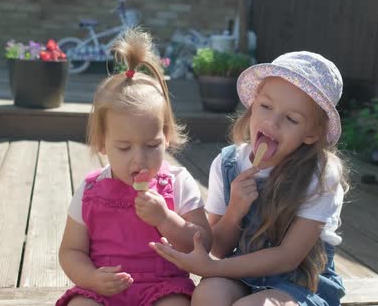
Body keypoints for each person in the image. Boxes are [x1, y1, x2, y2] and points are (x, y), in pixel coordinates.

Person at [151, 51, 349, 306]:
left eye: (291, 119)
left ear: (312, 133)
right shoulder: (228, 163)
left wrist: (211, 268)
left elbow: (288, 257)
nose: (272, 122)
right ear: (253, 104)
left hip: (300, 283)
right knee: (208, 295)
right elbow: (219, 249)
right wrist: (234, 210)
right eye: (265, 106)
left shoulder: (321, 175)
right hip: (242, 275)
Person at [56, 28, 212, 306]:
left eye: (151, 145)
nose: (139, 159)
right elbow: (70, 251)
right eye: (124, 148)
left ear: (166, 137)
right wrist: (91, 278)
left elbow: (202, 243)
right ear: (103, 144)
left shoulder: (177, 182)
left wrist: (166, 220)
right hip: (104, 290)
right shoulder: (91, 189)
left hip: (164, 287)